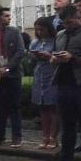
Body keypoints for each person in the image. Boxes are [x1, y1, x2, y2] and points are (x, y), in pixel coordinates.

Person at [46, 4, 81, 161]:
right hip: (64, 84)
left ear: (79, 17)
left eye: (70, 22)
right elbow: (55, 56)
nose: (67, 25)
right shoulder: (60, 35)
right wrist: (54, 59)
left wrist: (74, 58)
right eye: (64, 23)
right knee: (68, 126)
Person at [0, 7, 26, 147]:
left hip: (13, 74)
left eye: (9, 15)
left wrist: (8, 67)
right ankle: (0, 136)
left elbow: (21, 51)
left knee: (14, 106)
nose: (9, 18)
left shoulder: (14, 31)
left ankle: (16, 136)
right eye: (6, 16)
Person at [28, 16, 59, 149]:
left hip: (52, 75)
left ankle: (53, 137)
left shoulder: (56, 41)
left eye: (42, 29)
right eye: (37, 30)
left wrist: (50, 56)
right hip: (39, 76)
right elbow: (30, 62)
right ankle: (45, 136)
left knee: (53, 107)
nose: (39, 32)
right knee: (42, 108)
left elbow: (60, 58)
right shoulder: (35, 43)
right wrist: (34, 57)